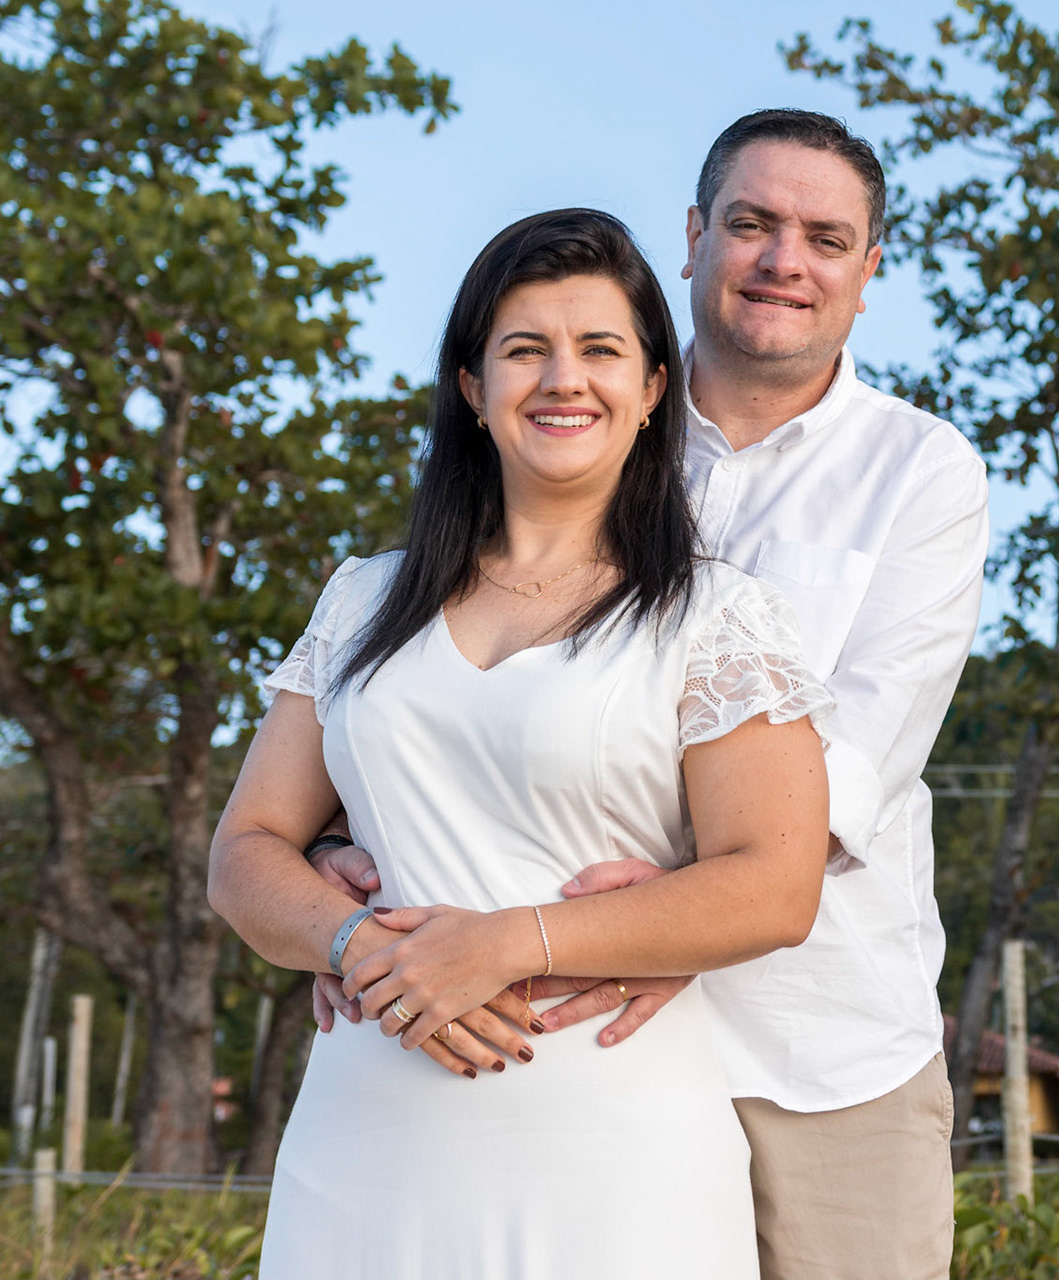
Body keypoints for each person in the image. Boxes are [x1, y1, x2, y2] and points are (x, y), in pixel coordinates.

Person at [307, 110, 989, 1279]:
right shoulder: (574, 419)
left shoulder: (922, 473)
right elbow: (440, 689)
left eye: (826, 237)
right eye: (753, 223)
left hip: (808, 1041)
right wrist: (339, 847)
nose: (785, 259)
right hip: (548, 1045)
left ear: (868, 273)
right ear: (693, 236)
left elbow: (862, 754)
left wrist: (690, 906)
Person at [208, 209, 835, 1279]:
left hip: (615, 1156)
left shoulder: (719, 617)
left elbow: (777, 882)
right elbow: (245, 850)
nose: (563, 379)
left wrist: (506, 942)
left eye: (600, 350)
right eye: (523, 349)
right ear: (471, 386)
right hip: (363, 1146)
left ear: (650, 391)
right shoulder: (361, 599)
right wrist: (358, 943)